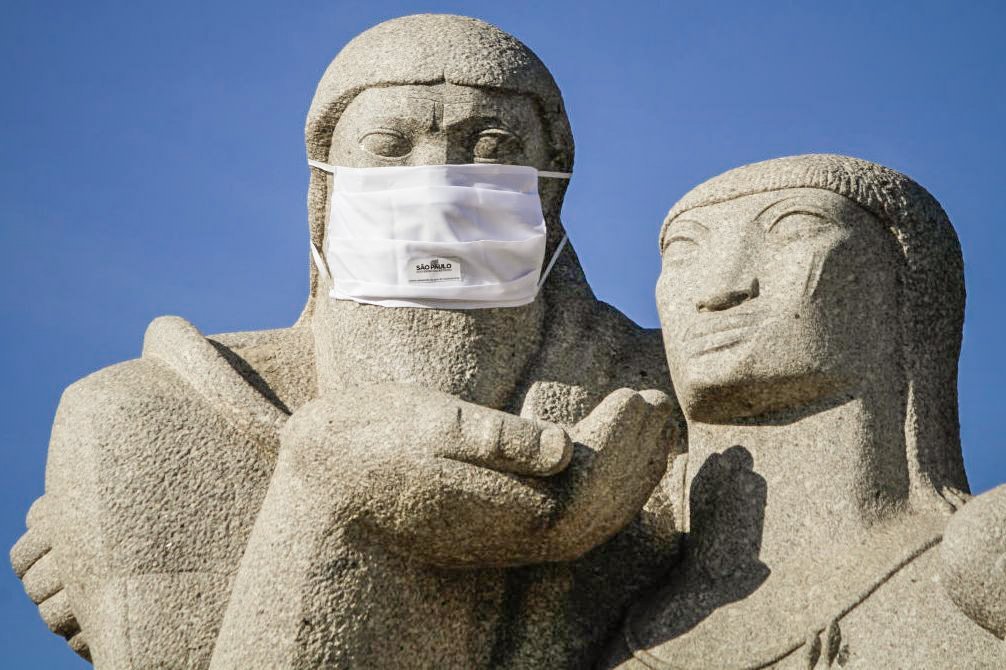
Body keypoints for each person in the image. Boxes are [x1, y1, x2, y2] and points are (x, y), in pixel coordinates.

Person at [11, 14, 682, 669]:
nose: (439, 176)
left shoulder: (673, 390)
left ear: (552, 179)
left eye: (493, 145)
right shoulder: (142, 414)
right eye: (390, 145)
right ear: (325, 178)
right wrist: (324, 484)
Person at [605, 154, 1004, 668]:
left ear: (906, 284)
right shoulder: (608, 600)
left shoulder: (984, 562)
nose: (719, 290)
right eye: (684, 251)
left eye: (795, 229)